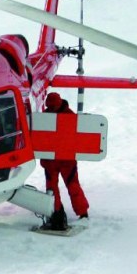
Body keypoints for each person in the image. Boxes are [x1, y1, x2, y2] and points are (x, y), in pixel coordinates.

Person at [40, 92, 90, 230]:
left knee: (73, 186)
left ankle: (82, 212)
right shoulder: (44, 117)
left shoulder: (70, 117)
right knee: (52, 189)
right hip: (51, 161)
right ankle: (55, 212)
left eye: (53, 106)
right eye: (50, 106)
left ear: (59, 103)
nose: (52, 109)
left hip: (66, 161)